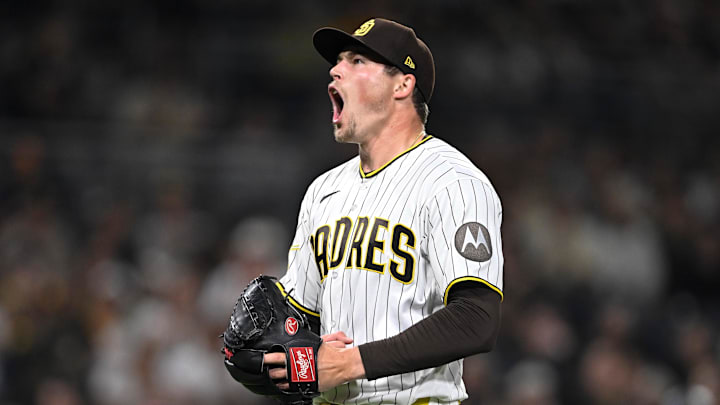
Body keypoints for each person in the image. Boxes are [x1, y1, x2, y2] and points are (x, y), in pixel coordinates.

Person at [264, 18, 504, 405]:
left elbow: (476, 320)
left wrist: (351, 364)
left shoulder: (454, 182)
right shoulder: (323, 191)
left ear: (403, 84)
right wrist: (263, 353)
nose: (335, 69)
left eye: (357, 60)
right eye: (338, 60)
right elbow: (300, 321)